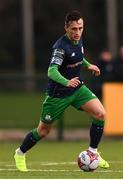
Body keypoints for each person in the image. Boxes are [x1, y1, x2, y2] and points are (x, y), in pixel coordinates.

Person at [14, 10, 109, 172]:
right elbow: (51, 71)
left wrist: (88, 65)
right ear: (66, 28)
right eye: (74, 29)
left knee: (100, 113)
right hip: (58, 95)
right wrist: (66, 82)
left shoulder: (78, 40)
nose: (77, 32)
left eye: (80, 28)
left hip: (77, 89)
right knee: (43, 131)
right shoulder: (60, 47)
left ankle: (93, 153)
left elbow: (77, 56)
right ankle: (20, 153)